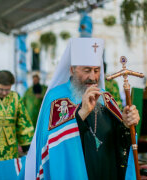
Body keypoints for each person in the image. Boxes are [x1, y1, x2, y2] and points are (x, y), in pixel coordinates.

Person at [23, 38, 140, 180]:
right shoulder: (56, 99)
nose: (93, 77)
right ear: (72, 70)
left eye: (96, 71)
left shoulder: (106, 98)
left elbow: (120, 140)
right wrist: (81, 115)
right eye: (87, 70)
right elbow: (52, 148)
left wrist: (126, 125)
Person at [0, 70, 34, 161]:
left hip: (10, 151)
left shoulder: (16, 98)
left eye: (7, 89)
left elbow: (23, 122)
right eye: (1, 89)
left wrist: (26, 146)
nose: (4, 93)